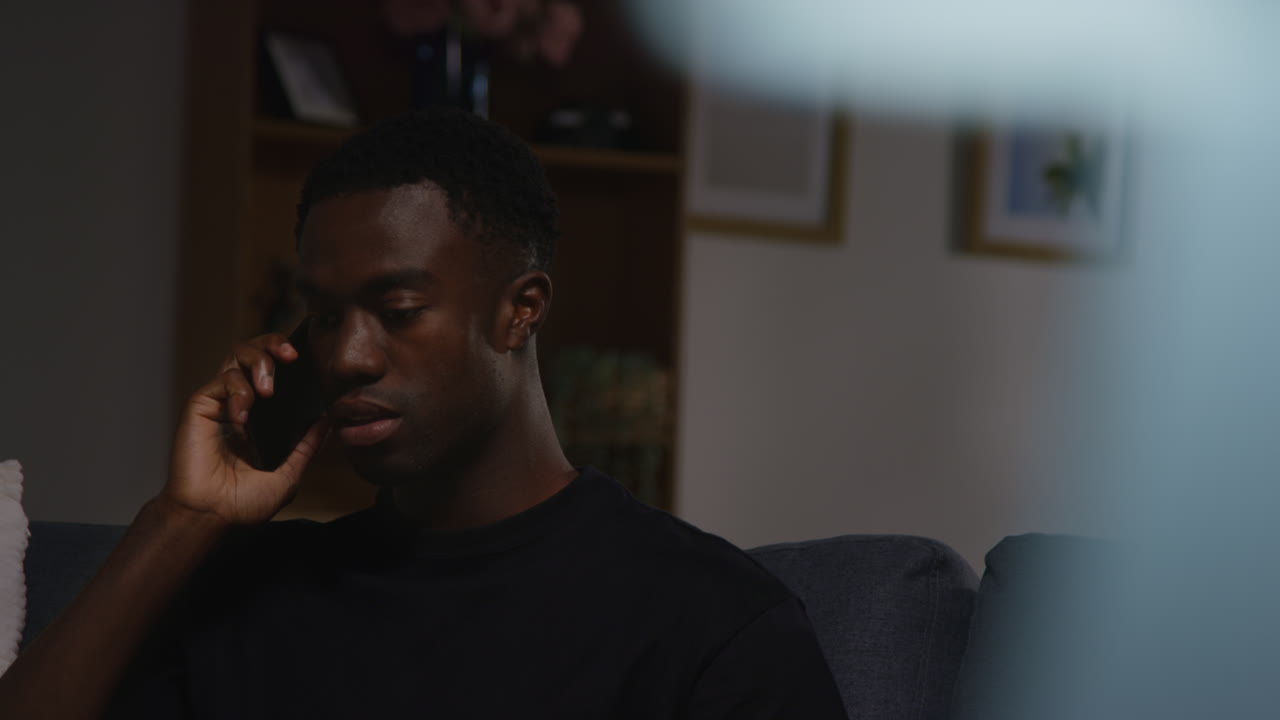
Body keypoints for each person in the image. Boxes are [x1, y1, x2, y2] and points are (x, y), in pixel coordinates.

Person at [0, 109, 848, 719]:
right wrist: (181, 518)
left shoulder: (707, 620)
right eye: (325, 315)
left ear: (520, 310)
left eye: (397, 309)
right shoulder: (247, 589)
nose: (347, 356)